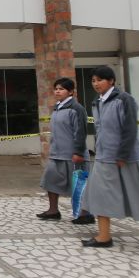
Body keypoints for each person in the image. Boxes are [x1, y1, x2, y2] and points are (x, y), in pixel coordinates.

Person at [80, 66, 139, 248]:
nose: (96, 84)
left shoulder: (124, 100)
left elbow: (130, 129)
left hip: (127, 158)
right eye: (93, 80)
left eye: (100, 80)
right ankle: (104, 236)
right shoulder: (97, 102)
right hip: (103, 157)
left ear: (112, 81)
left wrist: (122, 154)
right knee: (100, 195)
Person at [37, 77, 95, 224]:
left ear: (71, 92)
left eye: (61, 89)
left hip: (74, 155)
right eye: (56, 88)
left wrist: (78, 152)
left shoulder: (76, 109)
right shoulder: (57, 107)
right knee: (50, 180)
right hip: (57, 153)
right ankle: (53, 210)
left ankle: (85, 214)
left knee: (79, 185)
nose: (57, 91)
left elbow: (80, 131)